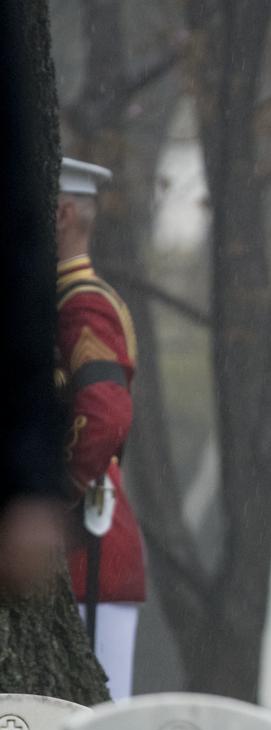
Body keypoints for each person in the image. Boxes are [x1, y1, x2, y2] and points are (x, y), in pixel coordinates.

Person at [55, 157, 145, 701]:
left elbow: (105, 415)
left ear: (63, 214)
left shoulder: (81, 307)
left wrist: (54, 496)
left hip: (88, 550)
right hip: (76, 550)